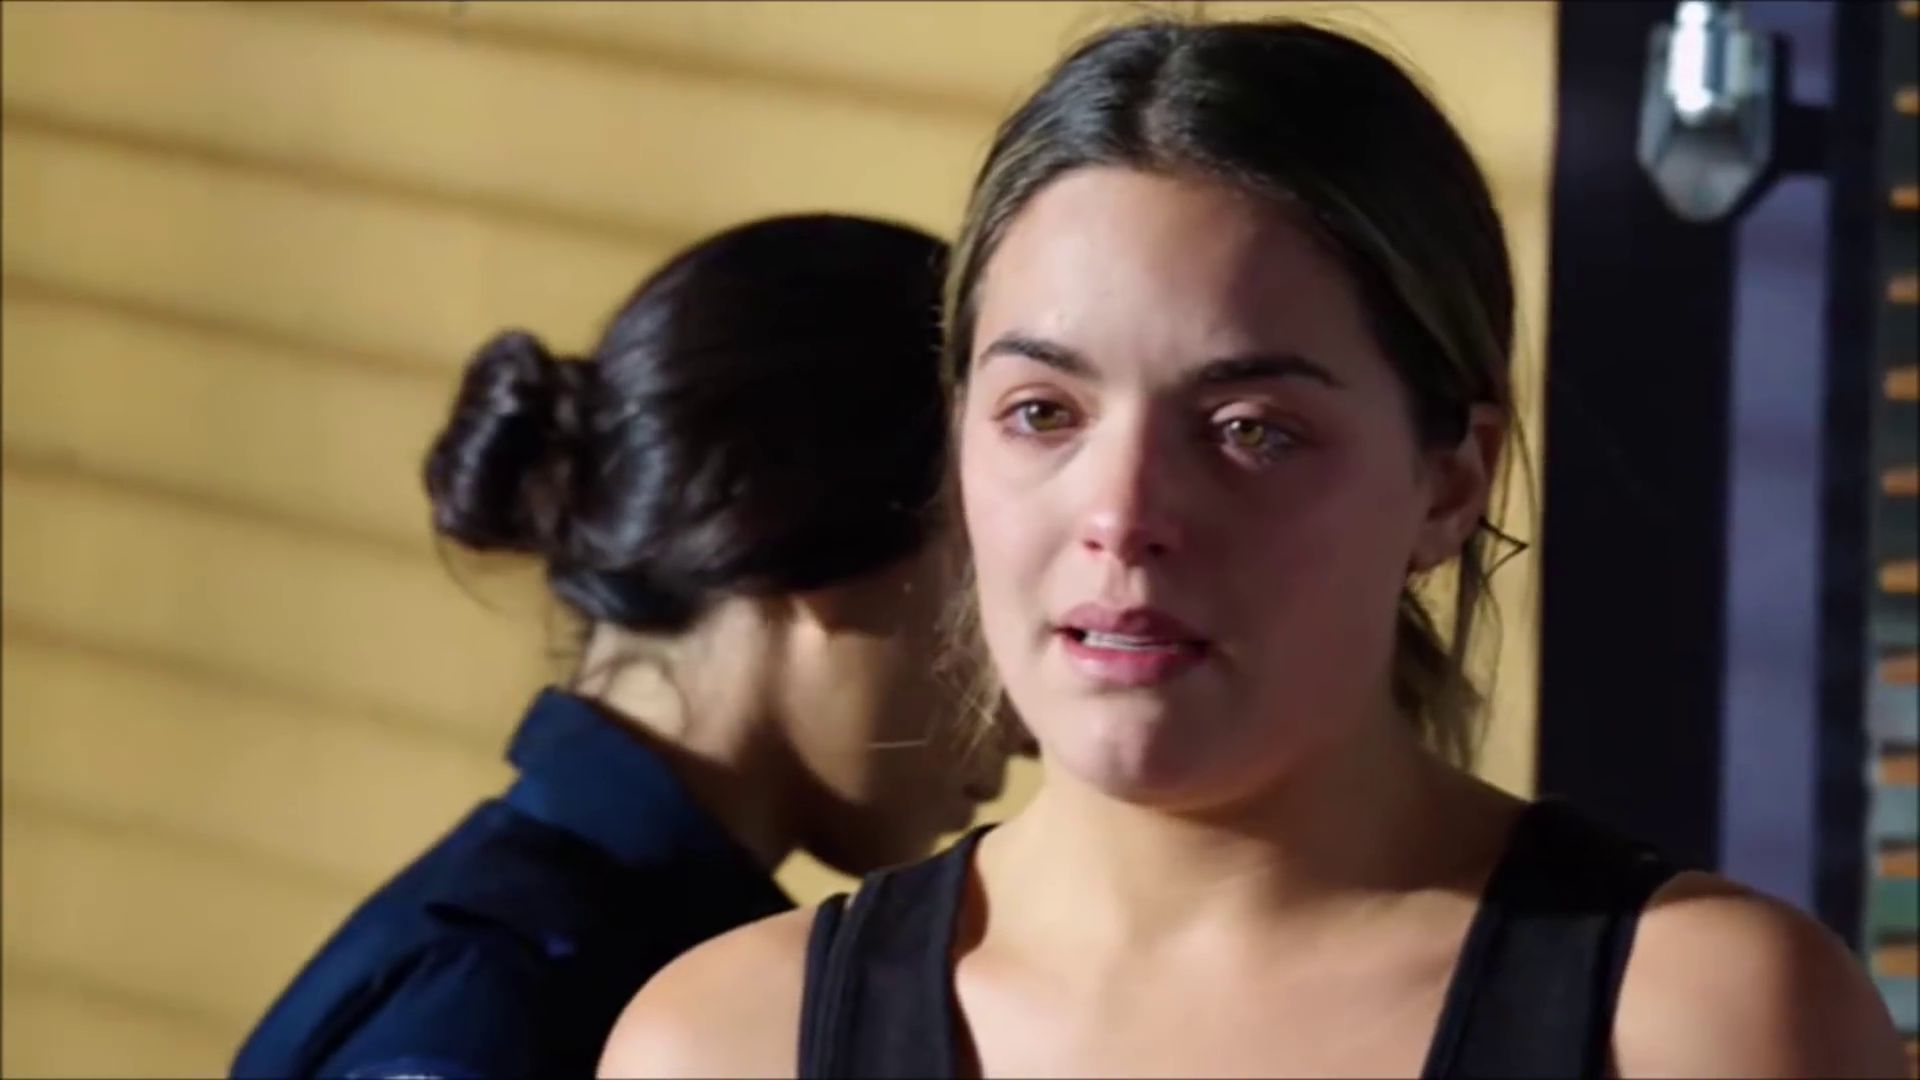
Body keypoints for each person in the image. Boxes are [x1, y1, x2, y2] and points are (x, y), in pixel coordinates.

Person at [597, 19, 1908, 1080]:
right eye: (1043, 413)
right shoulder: (726, 1046)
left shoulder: (1701, 1026)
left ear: (1451, 482)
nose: (1122, 513)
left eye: (1250, 429)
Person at [231, 214, 1021, 1079]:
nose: (1023, 724)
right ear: (822, 553)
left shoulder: (640, 965)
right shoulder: (502, 1003)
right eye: (990, 587)